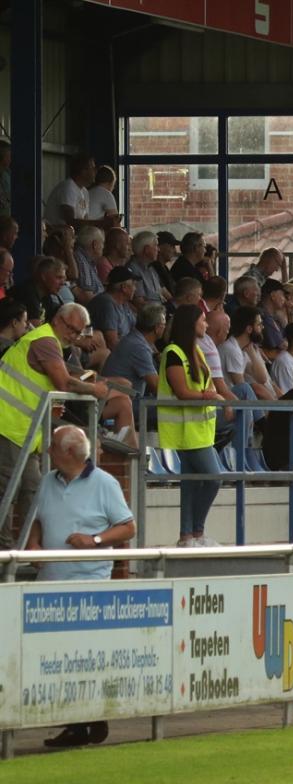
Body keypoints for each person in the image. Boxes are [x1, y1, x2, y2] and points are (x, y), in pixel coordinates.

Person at [29, 425, 135, 748]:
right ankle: (81, 721)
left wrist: (95, 540)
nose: (48, 452)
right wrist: (33, 544)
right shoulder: (48, 482)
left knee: (78, 655)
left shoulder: (105, 484)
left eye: (53, 447)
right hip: (50, 582)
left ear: (70, 453)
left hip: (87, 584)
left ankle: (87, 718)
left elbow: (128, 527)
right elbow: (37, 518)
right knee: (54, 657)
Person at [0, 302, 114, 548]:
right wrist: (95, 389)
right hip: (8, 427)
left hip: (25, 433)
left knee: (32, 489)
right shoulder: (45, 341)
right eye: (72, 330)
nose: (73, 337)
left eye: (78, 333)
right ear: (59, 321)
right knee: (7, 494)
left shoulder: (50, 342)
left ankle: (28, 549)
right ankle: (6, 555)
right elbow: (64, 382)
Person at [157, 303, 223, 548]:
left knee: (191, 482)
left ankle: (188, 536)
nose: (206, 324)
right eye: (203, 320)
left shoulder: (197, 351)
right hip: (185, 430)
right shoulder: (173, 352)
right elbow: (183, 392)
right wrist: (208, 396)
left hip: (201, 430)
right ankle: (196, 530)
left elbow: (208, 384)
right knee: (214, 478)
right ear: (190, 323)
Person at [101, 302, 165, 403]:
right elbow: (156, 386)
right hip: (121, 403)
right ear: (157, 328)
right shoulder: (139, 347)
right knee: (172, 407)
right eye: (163, 325)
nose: (164, 328)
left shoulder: (135, 339)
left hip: (123, 400)